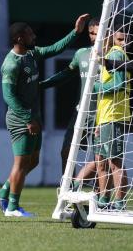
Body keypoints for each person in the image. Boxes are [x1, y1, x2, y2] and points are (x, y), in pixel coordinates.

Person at [0, 14, 89, 217]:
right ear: (19, 38)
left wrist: (75, 32)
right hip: (21, 120)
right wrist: (27, 119)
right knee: (20, 163)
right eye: (29, 33)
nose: (34, 36)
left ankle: (2, 193)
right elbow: (8, 96)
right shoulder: (11, 64)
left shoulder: (31, 54)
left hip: (34, 118)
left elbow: (54, 49)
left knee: (33, 161)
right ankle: (12, 207)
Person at [40, 17, 100, 177]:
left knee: (101, 159)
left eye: (97, 33)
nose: (93, 37)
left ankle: (100, 195)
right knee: (66, 151)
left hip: (103, 115)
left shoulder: (114, 56)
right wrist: (42, 85)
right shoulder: (81, 53)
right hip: (80, 113)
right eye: (91, 33)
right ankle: (69, 191)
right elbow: (66, 74)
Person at [94, 26, 129, 210]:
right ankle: (103, 200)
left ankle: (119, 202)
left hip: (114, 115)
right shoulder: (109, 56)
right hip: (104, 116)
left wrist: (96, 88)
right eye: (120, 39)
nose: (123, 44)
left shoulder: (116, 55)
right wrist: (99, 122)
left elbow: (120, 85)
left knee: (115, 162)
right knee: (101, 162)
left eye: (125, 39)